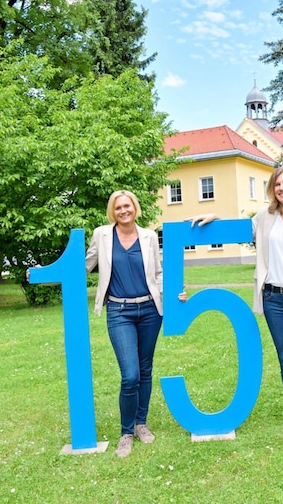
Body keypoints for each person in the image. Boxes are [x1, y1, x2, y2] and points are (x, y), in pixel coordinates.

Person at [185, 166, 283, 450]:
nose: (282, 188)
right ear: (273, 189)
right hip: (274, 300)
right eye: (277, 184)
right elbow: (243, 228)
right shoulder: (265, 218)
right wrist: (214, 216)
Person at [86, 190, 164, 457]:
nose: (123, 211)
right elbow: (82, 266)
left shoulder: (149, 236)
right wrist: (41, 270)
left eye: (127, 206)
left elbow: (158, 272)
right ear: (113, 211)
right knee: (130, 375)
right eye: (118, 207)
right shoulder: (102, 235)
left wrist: (176, 293)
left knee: (145, 369)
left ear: (135, 208)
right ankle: (126, 432)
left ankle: (141, 423)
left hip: (150, 310)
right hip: (119, 311)